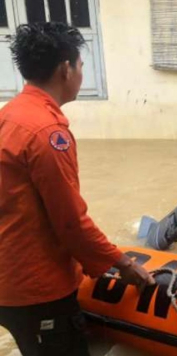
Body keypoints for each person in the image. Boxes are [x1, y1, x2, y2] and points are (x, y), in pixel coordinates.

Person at [0, 22, 155, 356]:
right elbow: (71, 222)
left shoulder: (9, 115)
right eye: (81, 65)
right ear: (65, 69)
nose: (82, 73)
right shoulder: (47, 132)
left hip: (8, 280)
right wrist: (125, 266)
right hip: (38, 290)